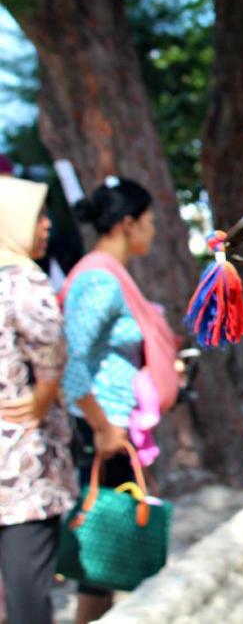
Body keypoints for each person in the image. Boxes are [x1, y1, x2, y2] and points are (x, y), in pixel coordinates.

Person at [61, 177, 179, 623]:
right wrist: (102, 426)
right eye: (149, 222)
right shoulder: (100, 282)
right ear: (128, 224)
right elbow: (67, 359)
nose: (153, 231)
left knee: (104, 550)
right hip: (101, 430)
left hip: (112, 427)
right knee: (100, 546)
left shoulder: (112, 277)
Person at [0, 176, 77, 624]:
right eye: (37, 216)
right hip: (21, 466)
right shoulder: (23, 281)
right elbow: (52, 345)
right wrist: (45, 393)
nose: (46, 226)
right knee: (28, 594)